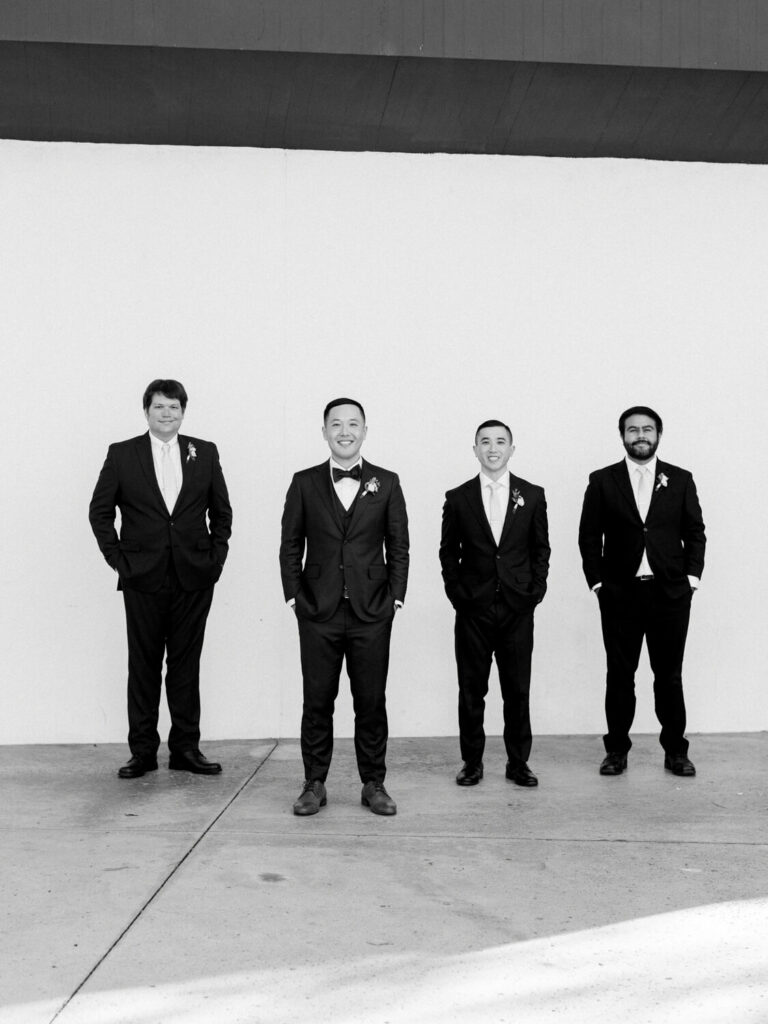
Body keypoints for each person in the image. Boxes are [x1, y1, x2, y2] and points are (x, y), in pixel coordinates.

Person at [89, 379, 232, 778]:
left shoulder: (203, 452)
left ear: (183, 411)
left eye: (174, 407)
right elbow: (100, 512)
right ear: (146, 411)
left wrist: (214, 561)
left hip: (194, 577)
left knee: (187, 665)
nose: (167, 414)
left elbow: (222, 513)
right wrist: (119, 561)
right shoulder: (123, 454)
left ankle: (186, 748)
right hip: (142, 577)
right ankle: (143, 752)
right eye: (159, 407)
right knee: (145, 665)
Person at [279, 398, 409, 816]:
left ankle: (374, 783)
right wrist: (296, 596)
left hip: (373, 611)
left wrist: (395, 597)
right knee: (317, 700)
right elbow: (289, 544)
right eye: (336, 424)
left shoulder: (386, 482)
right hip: (318, 610)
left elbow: (399, 545)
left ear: (365, 431)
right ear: (324, 432)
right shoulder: (303, 482)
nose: (345, 431)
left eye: (353, 424)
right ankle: (314, 783)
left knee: (371, 700)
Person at [578, 406, 705, 777]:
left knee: (669, 675)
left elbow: (695, 532)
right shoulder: (602, 480)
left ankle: (676, 751)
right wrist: (599, 583)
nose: (640, 436)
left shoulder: (680, 479)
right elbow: (589, 537)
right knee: (619, 675)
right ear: (622, 436)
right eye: (632, 430)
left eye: (647, 429)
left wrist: (691, 580)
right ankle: (616, 750)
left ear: (659, 435)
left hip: (670, 594)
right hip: (620, 594)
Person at [440, 420, 550, 788]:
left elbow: (540, 549)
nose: (492, 448)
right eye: (485, 442)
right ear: (475, 450)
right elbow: (447, 553)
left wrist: (534, 592)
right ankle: (472, 762)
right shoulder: (458, 497)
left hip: (518, 609)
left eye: (500, 442)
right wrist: (458, 595)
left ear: (511, 449)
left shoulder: (532, 494)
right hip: (473, 609)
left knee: (517, 690)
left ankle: (518, 763)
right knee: (472, 690)